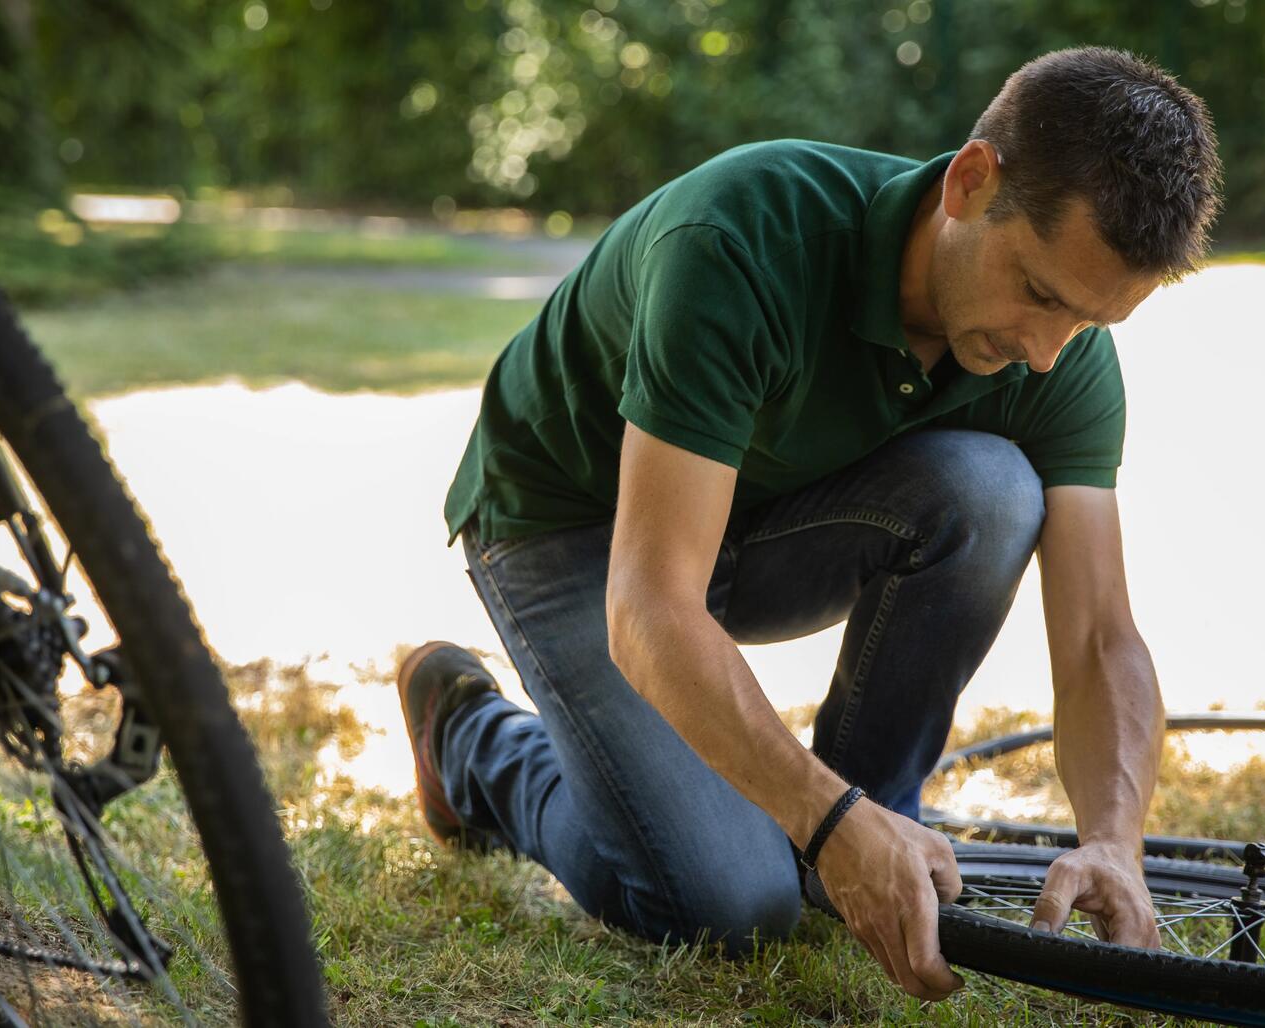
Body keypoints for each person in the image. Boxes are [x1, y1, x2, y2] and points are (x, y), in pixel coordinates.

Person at [396, 45, 1222, 1001]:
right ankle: (471, 740)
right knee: (725, 902)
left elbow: (1099, 637)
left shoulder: (1053, 354)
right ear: (969, 181)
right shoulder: (741, 242)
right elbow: (652, 606)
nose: (1044, 354)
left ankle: (875, 825)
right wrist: (825, 823)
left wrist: (1115, 842)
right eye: (1038, 292)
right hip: (574, 521)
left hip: (768, 520)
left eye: (1087, 323)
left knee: (994, 489)